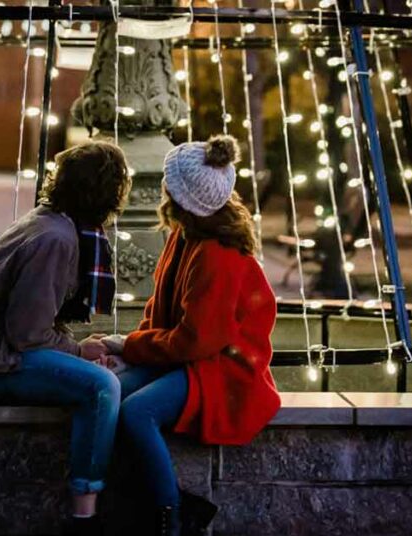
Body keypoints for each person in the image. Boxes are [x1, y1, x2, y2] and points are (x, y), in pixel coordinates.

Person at [0, 141, 131, 535]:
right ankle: (85, 515)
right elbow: (26, 334)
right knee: (101, 386)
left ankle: (124, 493)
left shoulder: (54, 222)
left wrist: (78, 350)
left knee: (111, 371)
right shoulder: (55, 239)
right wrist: (78, 351)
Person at [101, 135, 281, 535]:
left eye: (167, 180)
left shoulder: (216, 253)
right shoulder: (186, 233)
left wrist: (125, 345)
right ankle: (127, 499)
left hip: (224, 367)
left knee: (137, 411)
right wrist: (130, 355)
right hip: (196, 357)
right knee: (111, 389)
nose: (161, 184)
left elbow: (196, 341)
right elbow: (162, 312)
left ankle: (173, 515)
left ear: (178, 194)